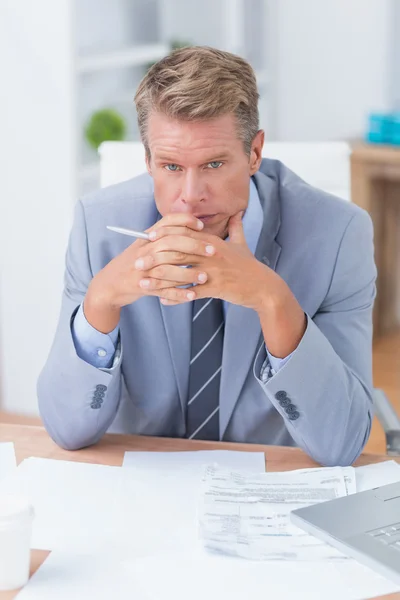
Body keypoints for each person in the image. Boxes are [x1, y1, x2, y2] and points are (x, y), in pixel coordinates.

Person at [37, 46, 376, 466]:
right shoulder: (98, 227)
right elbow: (67, 431)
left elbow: (342, 444)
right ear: (147, 160)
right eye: (171, 167)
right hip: (142, 490)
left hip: (269, 488)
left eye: (214, 164)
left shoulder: (339, 235)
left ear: (254, 153)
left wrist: (273, 300)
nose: (190, 196)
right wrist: (100, 300)